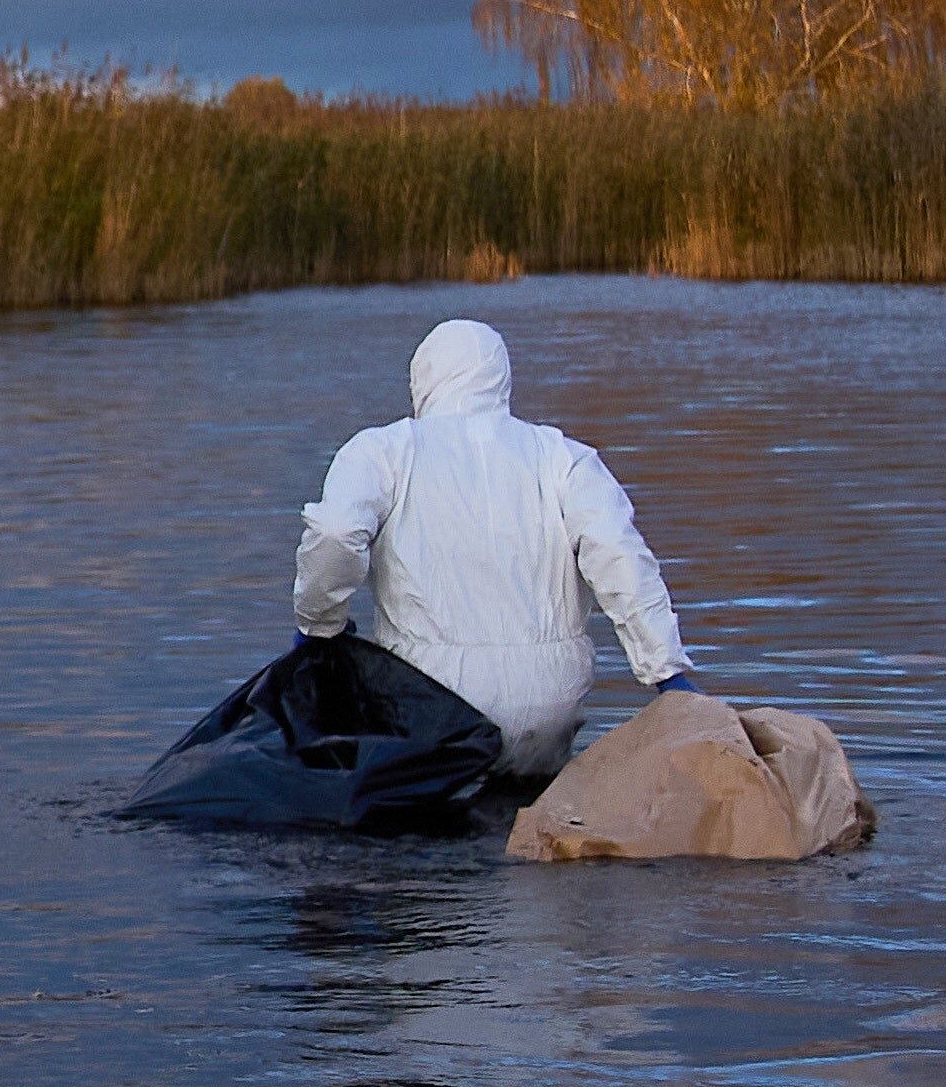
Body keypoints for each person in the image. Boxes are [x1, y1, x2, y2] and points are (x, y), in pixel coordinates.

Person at [289, 314, 693, 780]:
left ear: (423, 380)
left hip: (433, 708)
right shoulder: (563, 457)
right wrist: (668, 674)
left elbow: (336, 532)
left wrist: (318, 626)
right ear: (501, 379)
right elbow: (621, 557)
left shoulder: (384, 451)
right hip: (548, 708)